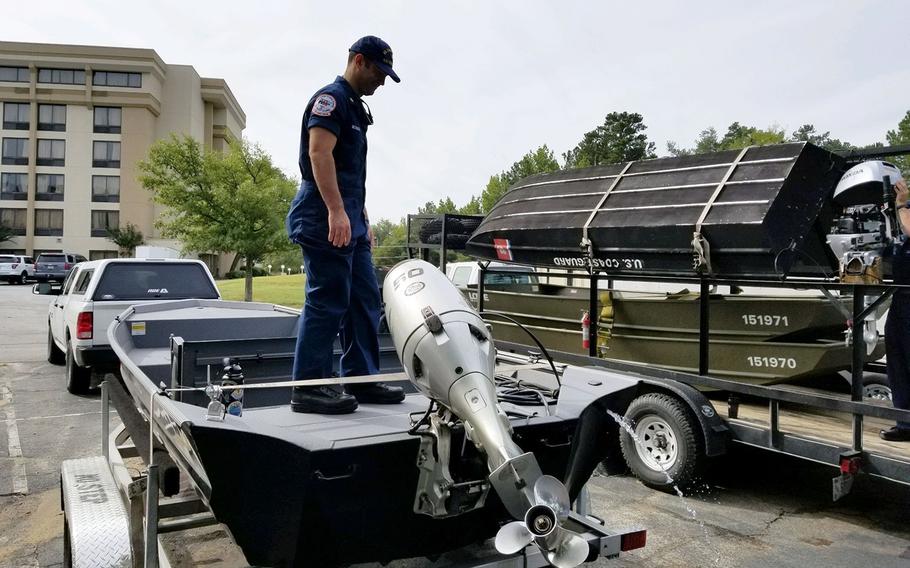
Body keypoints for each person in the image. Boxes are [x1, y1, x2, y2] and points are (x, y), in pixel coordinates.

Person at [286, 36, 404, 414]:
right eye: (378, 72)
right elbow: (318, 153)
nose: (382, 82)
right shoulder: (331, 99)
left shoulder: (355, 107)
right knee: (328, 299)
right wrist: (337, 212)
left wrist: (360, 214)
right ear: (358, 61)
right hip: (322, 215)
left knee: (365, 298)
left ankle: (362, 379)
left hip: (349, 213)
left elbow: (352, 171)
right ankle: (309, 387)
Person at [882, 178, 910, 441]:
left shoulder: (906, 213)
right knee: (897, 362)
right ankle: (905, 424)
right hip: (901, 298)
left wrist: (902, 206)